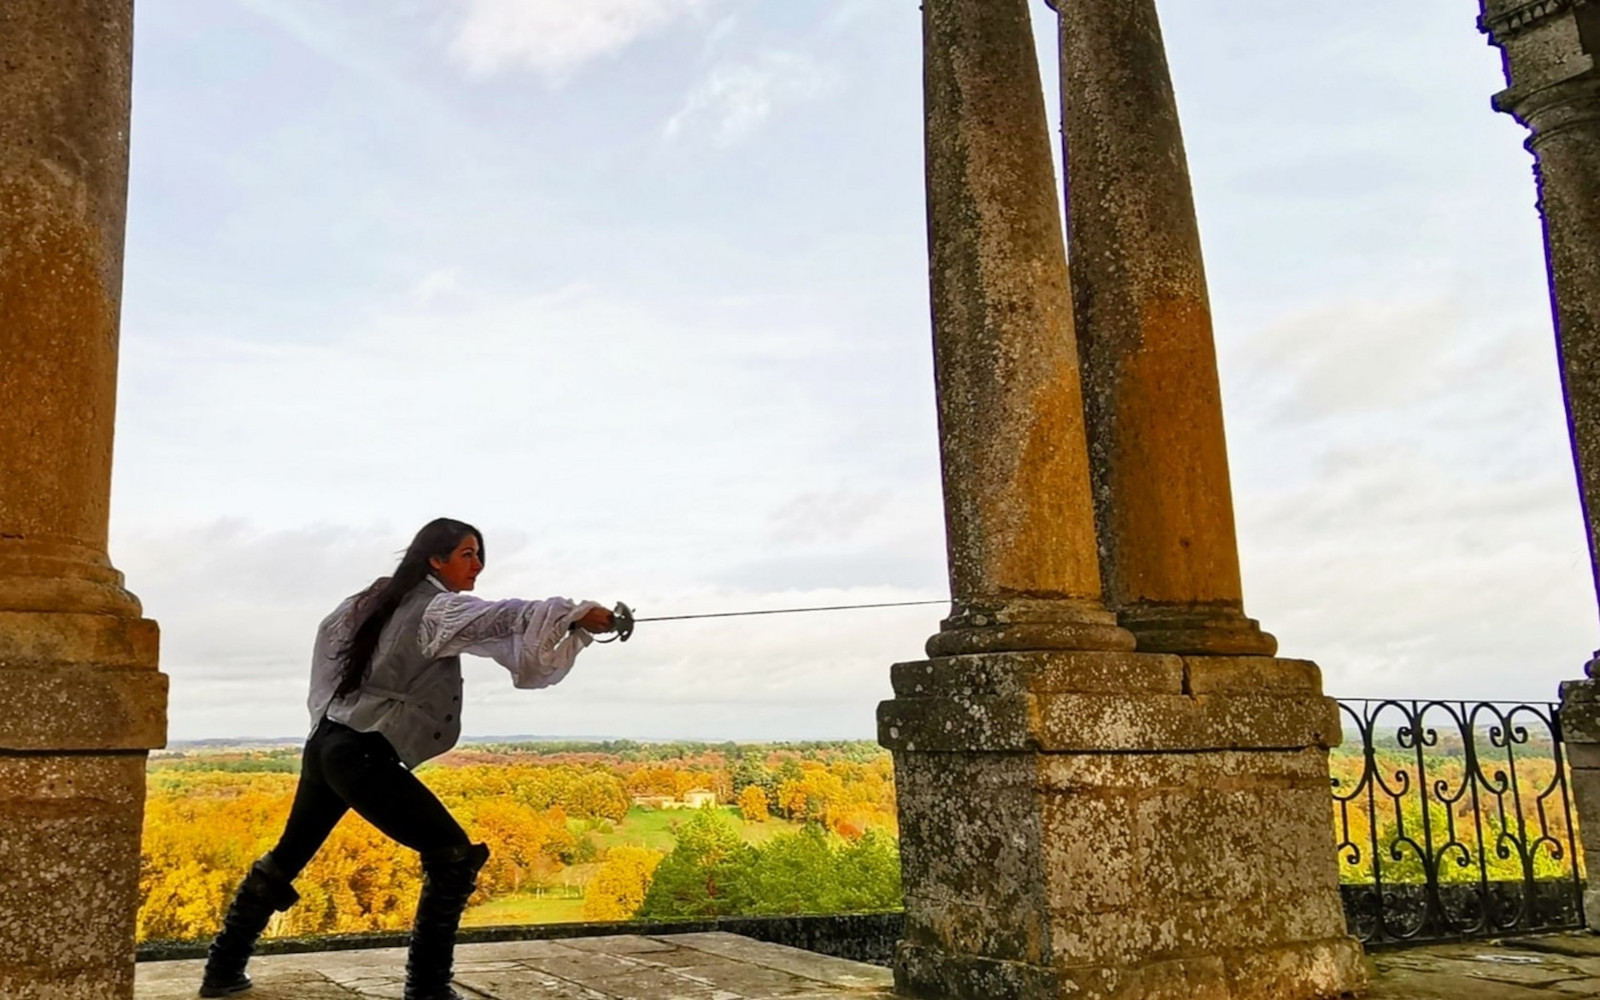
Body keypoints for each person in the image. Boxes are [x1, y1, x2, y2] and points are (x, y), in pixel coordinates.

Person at [198, 517, 614, 1000]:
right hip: (359, 755)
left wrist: (574, 625)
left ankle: (222, 970)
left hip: (327, 744)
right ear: (435, 559)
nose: (477, 564)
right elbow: (505, 617)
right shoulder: (436, 611)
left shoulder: (370, 601)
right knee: (452, 857)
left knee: (288, 856)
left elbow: (331, 649)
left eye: (480, 554)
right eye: (467, 553)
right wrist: (576, 614)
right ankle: (428, 988)